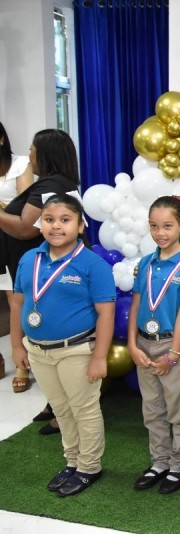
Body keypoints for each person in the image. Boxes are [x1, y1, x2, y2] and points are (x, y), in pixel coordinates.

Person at [10, 193, 116, 497]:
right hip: (38, 349)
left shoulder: (93, 264)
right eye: (49, 219)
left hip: (77, 350)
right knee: (61, 408)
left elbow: (106, 313)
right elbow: (18, 303)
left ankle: (89, 466)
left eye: (65, 220)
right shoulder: (29, 259)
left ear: (80, 226)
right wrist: (17, 346)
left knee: (84, 409)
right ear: (40, 223)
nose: (56, 226)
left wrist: (99, 357)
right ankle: (72, 461)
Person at [128, 196, 180, 494]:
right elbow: (136, 305)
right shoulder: (146, 263)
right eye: (154, 226)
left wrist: (173, 354)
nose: (160, 233)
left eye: (168, 226)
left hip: (173, 346)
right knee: (152, 408)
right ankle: (159, 462)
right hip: (144, 344)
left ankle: (179, 463)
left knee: (178, 409)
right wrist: (132, 345)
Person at [0, 129, 78, 394]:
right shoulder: (54, 183)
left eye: (32, 149)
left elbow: (25, 228)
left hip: (41, 270)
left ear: (44, 154)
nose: (29, 154)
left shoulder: (50, 186)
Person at [0, 121, 34, 382]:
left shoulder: (21, 164)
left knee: (16, 300)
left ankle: (23, 362)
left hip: (13, 237)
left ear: (1, 139)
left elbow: (24, 203)